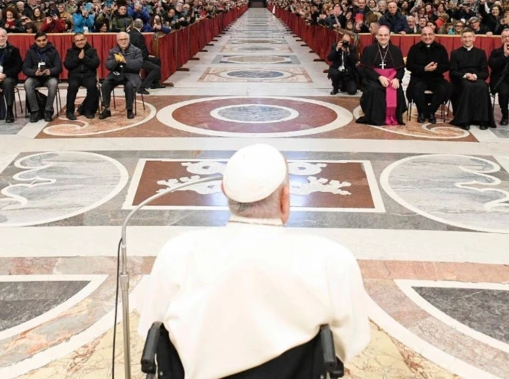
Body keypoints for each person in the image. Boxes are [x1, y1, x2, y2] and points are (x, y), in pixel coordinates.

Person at [137, 144, 369, 379]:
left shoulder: (177, 253)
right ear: (285, 199)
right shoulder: (332, 261)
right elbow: (349, 344)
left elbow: (152, 330)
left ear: (224, 191)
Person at [355, 25, 407, 125]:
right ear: (376, 36)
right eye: (380, 35)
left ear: (389, 36)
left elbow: (401, 69)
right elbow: (364, 68)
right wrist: (379, 77)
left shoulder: (396, 50)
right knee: (375, 90)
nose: (383, 37)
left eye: (385, 35)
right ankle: (377, 118)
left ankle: (393, 116)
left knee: (397, 89)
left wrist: (397, 78)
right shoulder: (369, 49)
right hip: (373, 78)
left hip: (392, 78)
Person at [449, 29, 495, 130]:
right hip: (461, 79)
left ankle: (483, 119)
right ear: (461, 39)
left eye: (469, 37)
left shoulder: (481, 53)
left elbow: (485, 72)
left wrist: (475, 76)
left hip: (476, 78)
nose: (467, 39)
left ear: (474, 38)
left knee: (482, 86)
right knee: (467, 86)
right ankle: (464, 120)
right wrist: (465, 75)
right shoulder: (455, 53)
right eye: (464, 37)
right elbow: (452, 72)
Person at [405, 24, 450, 123]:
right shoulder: (414, 48)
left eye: (430, 34)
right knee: (416, 89)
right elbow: (409, 65)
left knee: (443, 90)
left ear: (434, 35)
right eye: (424, 34)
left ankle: (431, 112)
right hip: (419, 77)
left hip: (436, 78)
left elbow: (446, 65)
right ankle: (421, 112)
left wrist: (436, 69)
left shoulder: (440, 48)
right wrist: (423, 69)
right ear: (421, 36)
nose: (427, 37)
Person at [99, 32, 143, 120]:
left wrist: (125, 61)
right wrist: (116, 61)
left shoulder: (136, 50)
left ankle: (129, 109)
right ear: (117, 41)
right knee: (105, 84)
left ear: (129, 40)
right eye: (121, 40)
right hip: (116, 74)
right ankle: (107, 109)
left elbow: (138, 65)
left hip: (131, 74)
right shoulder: (113, 51)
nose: (123, 41)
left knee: (129, 86)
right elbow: (108, 65)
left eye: (125, 39)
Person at [22, 31, 62, 123]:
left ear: (47, 40)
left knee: (54, 83)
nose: (42, 42)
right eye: (39, 41)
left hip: (49, 77)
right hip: (35, 77)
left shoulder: (53, 51)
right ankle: (35, 111)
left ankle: (48, 111)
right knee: (28, 83)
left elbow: (59, 67)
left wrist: (50, 71)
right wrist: (34, 72)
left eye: (44, 40)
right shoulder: (30, 52)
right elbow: (25, 68)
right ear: (35, 41)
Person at [63, 33, 100, 120]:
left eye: (82, 40)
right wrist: (78, 58)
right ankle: (69, 112)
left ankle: (89, 110)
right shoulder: (70, 51)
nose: (80, 42)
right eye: (77, 40)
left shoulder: (92, 51)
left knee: (92, 87)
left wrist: (84, 58)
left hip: (88, 76)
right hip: (75, 76)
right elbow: (67, 65)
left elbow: (96, 64)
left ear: (86, 39)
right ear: (74, 41)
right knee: (72, 87)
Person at [126, 19, 163, 94]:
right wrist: (147, 58)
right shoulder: (139, 35)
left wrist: (148, 56)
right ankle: (142, 87)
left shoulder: (129, 33)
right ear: (142, 26)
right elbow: (142, 49)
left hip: (131, 58)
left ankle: (155, 83)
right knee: (156, 68)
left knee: (157, 60)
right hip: (138, 59)